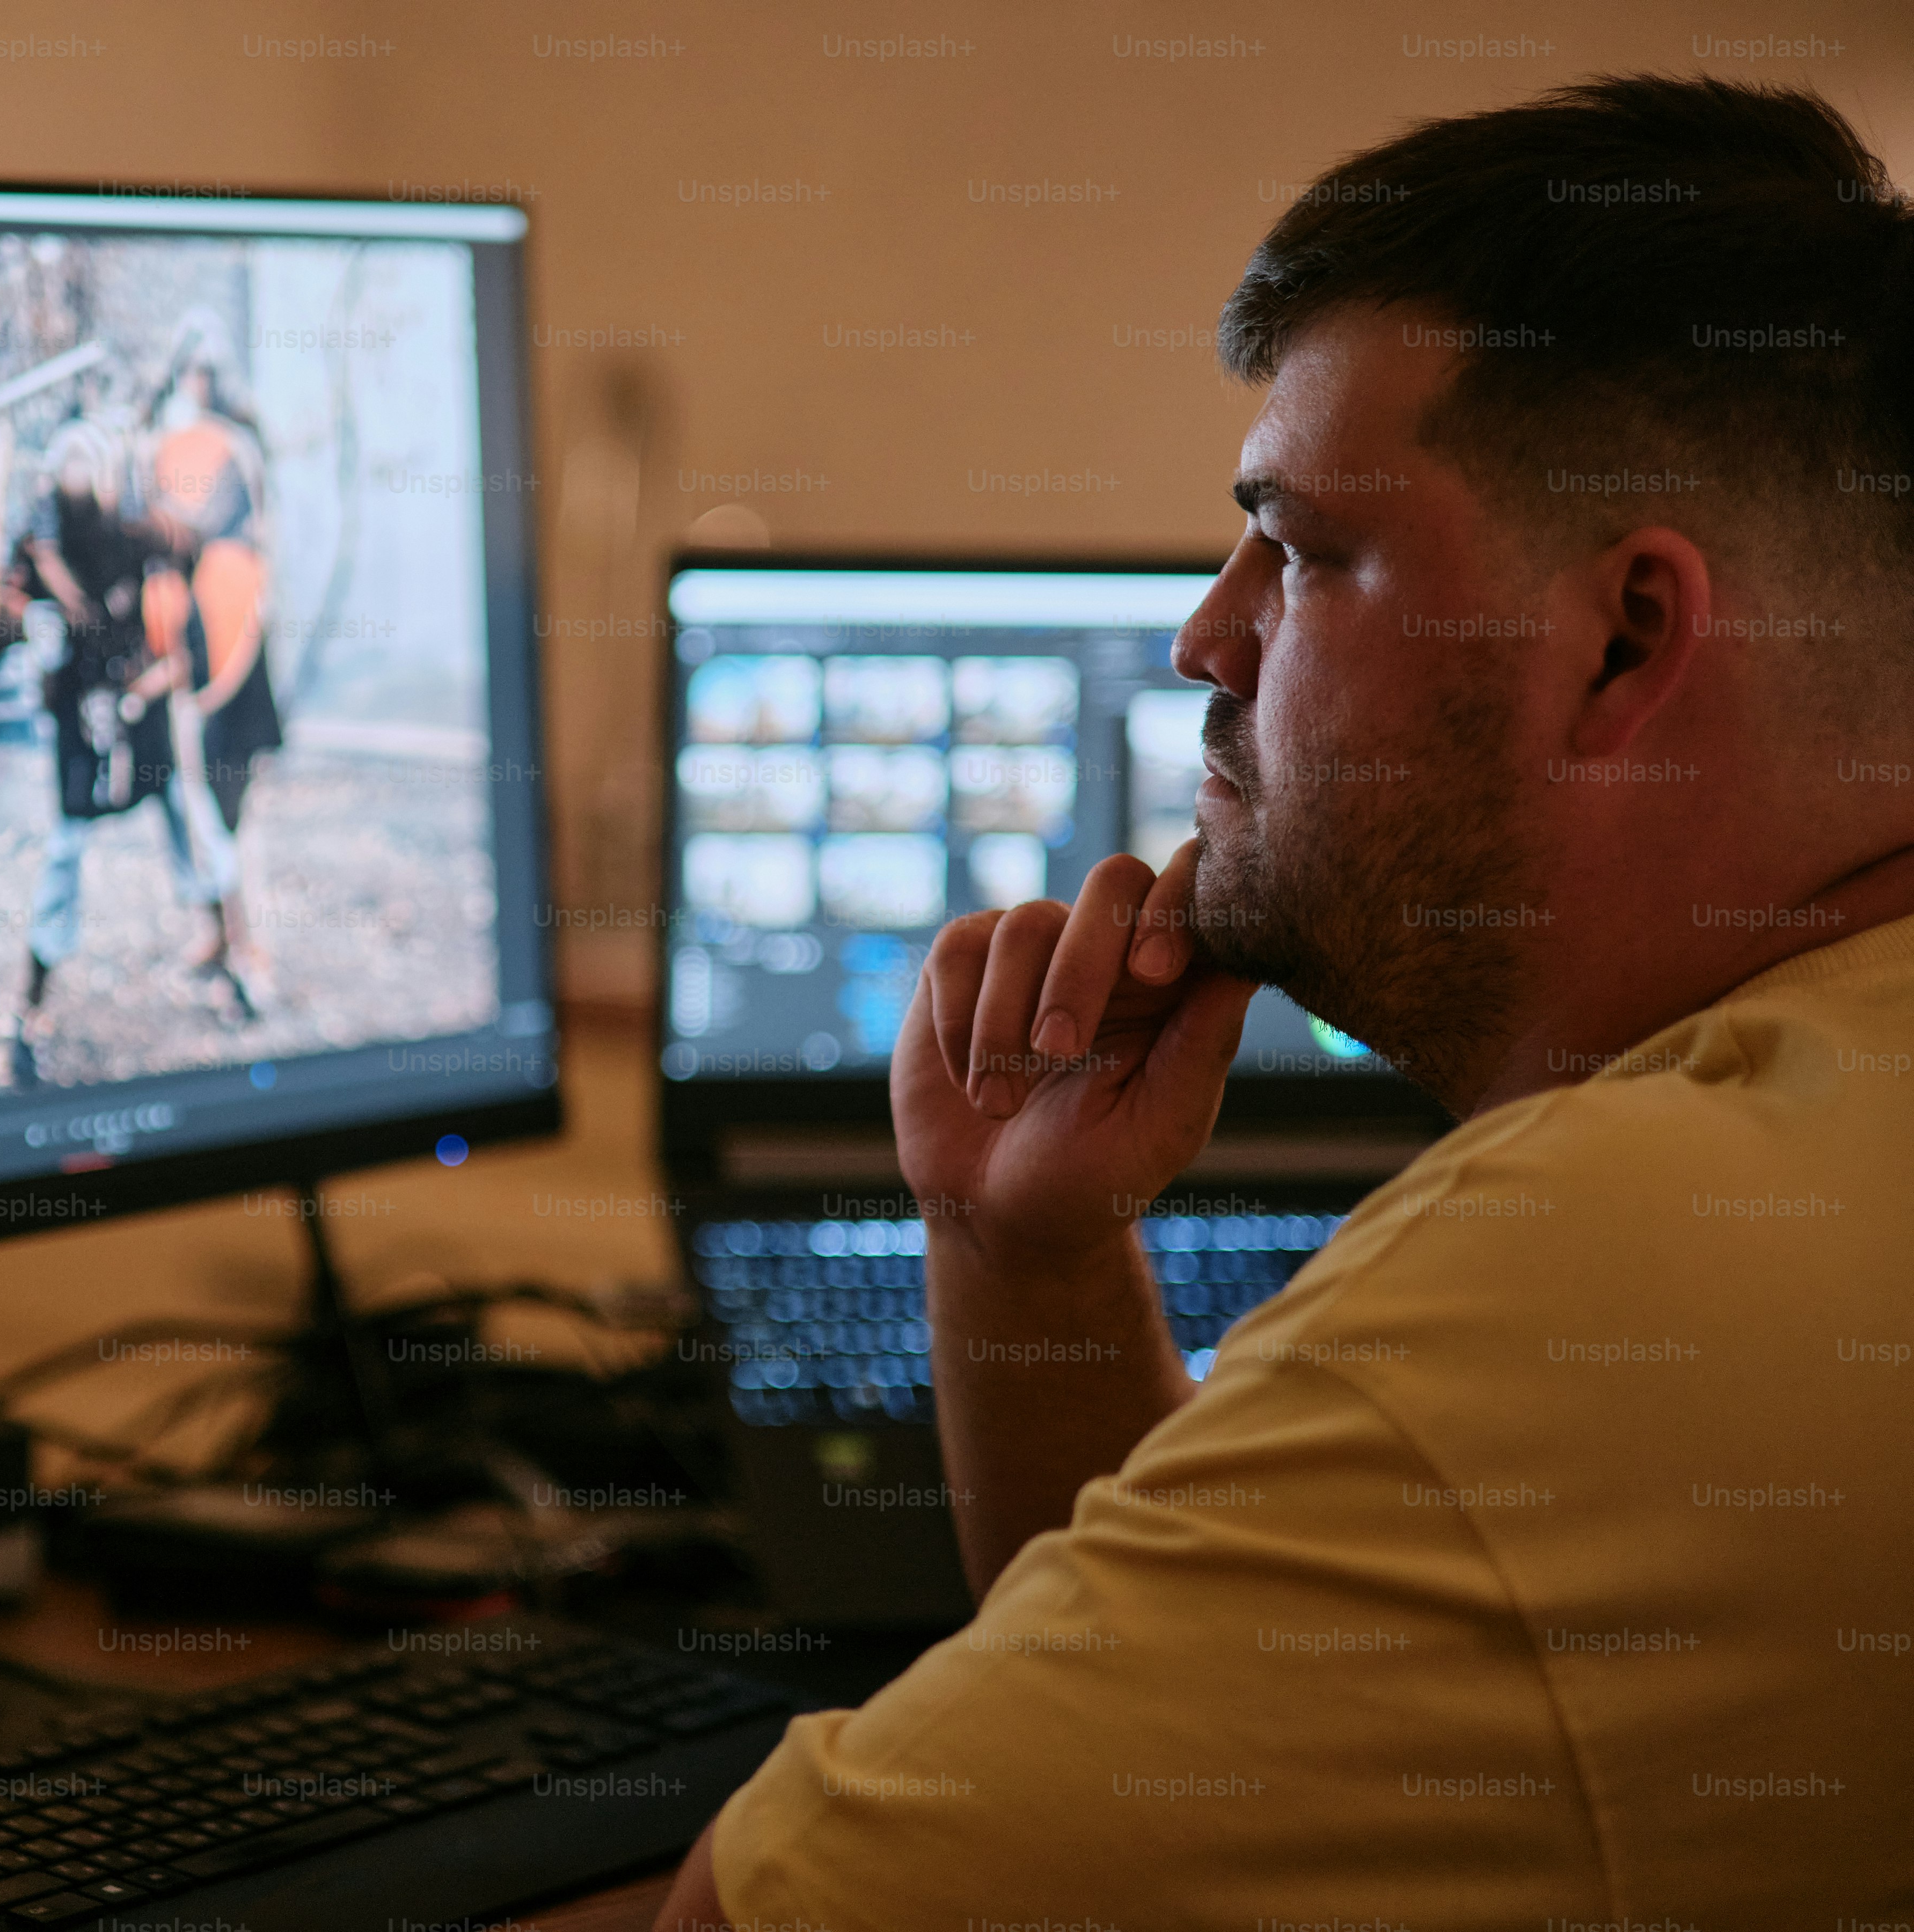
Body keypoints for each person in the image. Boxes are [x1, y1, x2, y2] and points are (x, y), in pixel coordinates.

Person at [663, 76, 1914, 1923]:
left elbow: (761, 1918)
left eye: (1307, 548)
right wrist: (1032, 1256)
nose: (1209, 634)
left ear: (1628, 637)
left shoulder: (1594, 1281)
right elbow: (1186, 1782)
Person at [0, 397, 235, 1088]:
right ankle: (29, 1009)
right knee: (65, 853)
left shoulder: (133, 532)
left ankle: (226, 960)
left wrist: (172, 538)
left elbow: (194, 547)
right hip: (81, 715)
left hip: (138, 699)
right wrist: (4, 605)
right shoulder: (41, 552)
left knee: (188, 817)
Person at [140, 318, 283, 990]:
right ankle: (217, 934)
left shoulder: (237, 453)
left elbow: (199, 530)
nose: (191, 385)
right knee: (190, 802)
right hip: (187, 644)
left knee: (230, 806)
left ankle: (247, 946)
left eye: (198, 374)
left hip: (233, 645)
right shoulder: (173, 449)